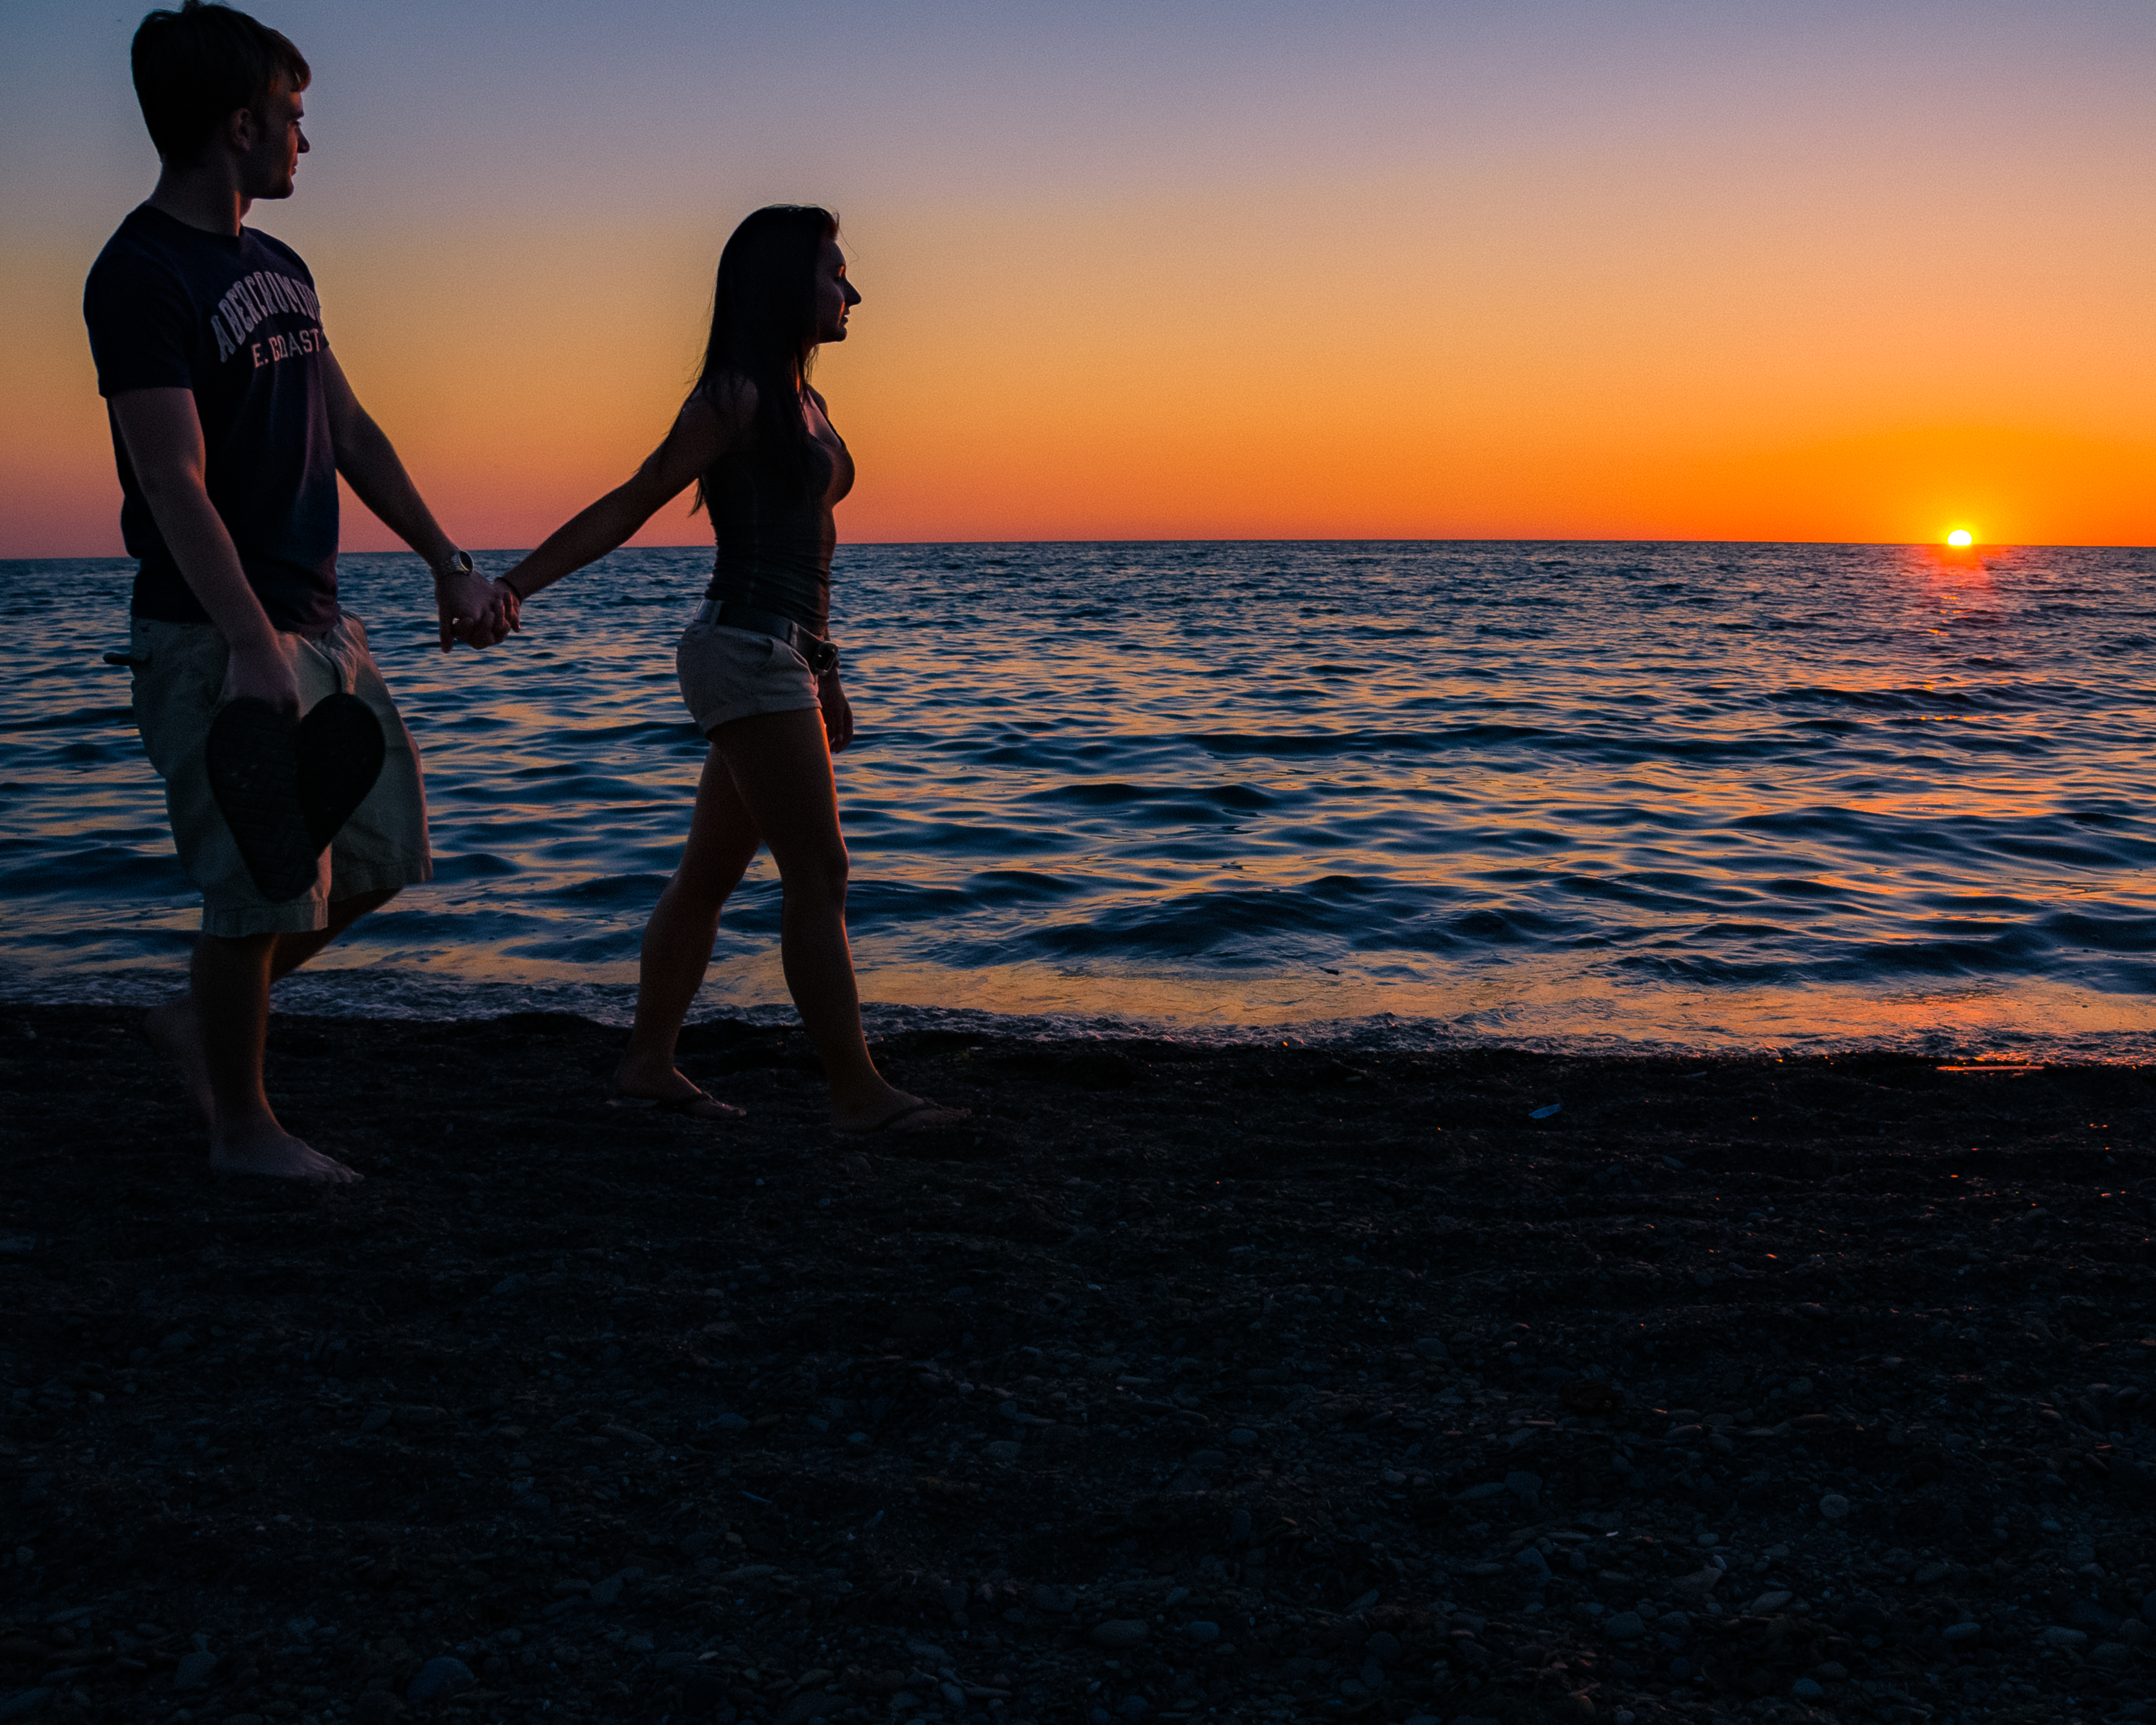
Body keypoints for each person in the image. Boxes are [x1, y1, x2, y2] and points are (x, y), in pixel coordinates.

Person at [83, 1, 513, 1182]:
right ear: (238, 126)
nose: (303, 142)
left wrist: (446, 559)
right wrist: (247, 644)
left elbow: (352, 430)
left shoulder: (280, 265)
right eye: (293, 117)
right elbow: (170, 477)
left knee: (381, 853)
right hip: (217, 633)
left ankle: (199, 1024)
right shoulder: (138, 273)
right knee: (256, 888)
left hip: (322, 618)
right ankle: (242, 1127)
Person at [494, 205, 966, 1136]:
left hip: (779, 654)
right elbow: (633, 499)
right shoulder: (736, 396)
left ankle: (646, 1063)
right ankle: (857, 1094)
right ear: (788, 285)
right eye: (836, 272)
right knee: (819, 874)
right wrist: (511, 586)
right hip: (742, 652)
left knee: (709, 871)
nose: (853, 292)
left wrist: (825, 671)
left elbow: (810, 555)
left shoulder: (807, 402)